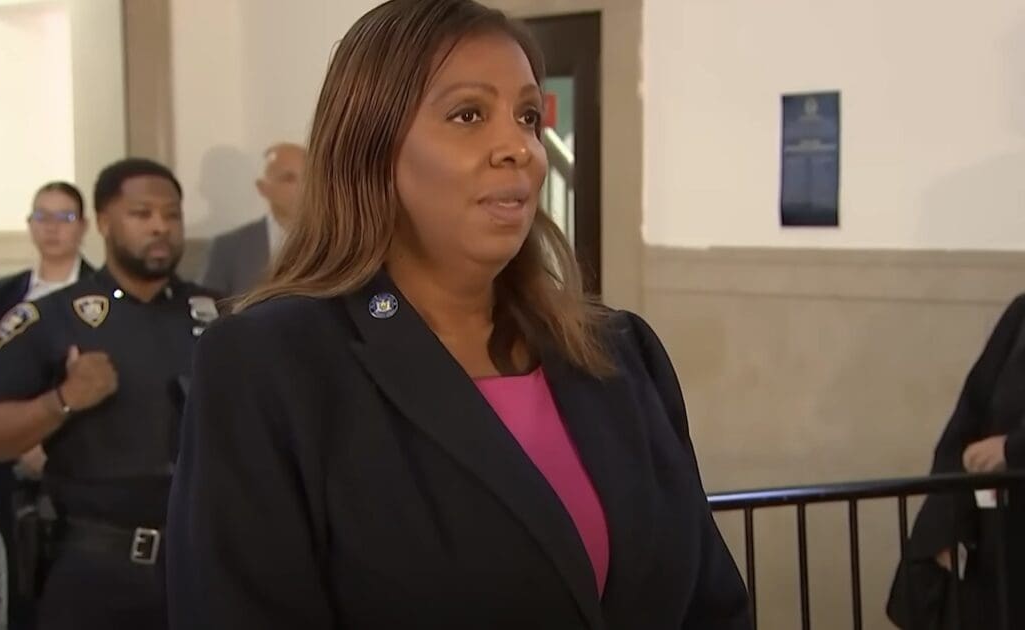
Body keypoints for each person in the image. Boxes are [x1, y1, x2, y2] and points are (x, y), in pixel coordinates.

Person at [166, 1, 751, 628]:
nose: (519, 148)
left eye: (529, 116)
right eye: (468, 114)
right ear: (371, 146)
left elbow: (713, 605)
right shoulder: (270, 366)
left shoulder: (620, 352)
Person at [0, 158, 221, 630]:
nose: (160, 226)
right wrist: (62, 399)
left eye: (172, 215)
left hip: (203, 565)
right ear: (103, 222)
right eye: (141, 214)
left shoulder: (221, 317)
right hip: (95, 572)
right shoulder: (54, 318)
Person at [0, 180, 93, 630]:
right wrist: (17, 438)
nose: (52, 227)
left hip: (75, 463)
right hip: (9, 460)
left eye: (65, 217)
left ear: (84, 226)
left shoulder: (100, 293)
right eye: (42, 216)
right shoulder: (5, 292)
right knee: (15, 585)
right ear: (29, 225)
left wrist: (47, 441)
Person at [888, 295, 1025, 628]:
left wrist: (1013, 450)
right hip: (994, 546)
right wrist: (947, 527)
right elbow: (967, 422)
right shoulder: (1021, 315)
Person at [199, 142, 305, 298]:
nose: (305, 187)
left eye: (310, 177)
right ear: (263, 188)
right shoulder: (229, 248)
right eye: (289, 179)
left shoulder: (335, 243)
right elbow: (207, 307)